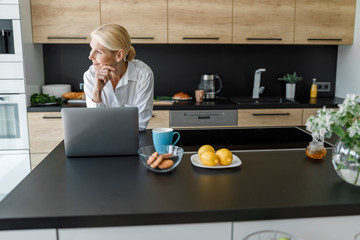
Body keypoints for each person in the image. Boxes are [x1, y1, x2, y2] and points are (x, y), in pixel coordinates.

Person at [83, 24, 154, 131]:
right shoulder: (90, 76)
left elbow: (140, 123)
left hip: (132, 140)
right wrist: (97, 91)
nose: (90, 56)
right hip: (101, 141)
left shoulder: (143, 74)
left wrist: (106, 124)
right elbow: (94, 125)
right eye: (91, 48)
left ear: (119, 55)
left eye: (98, 51)